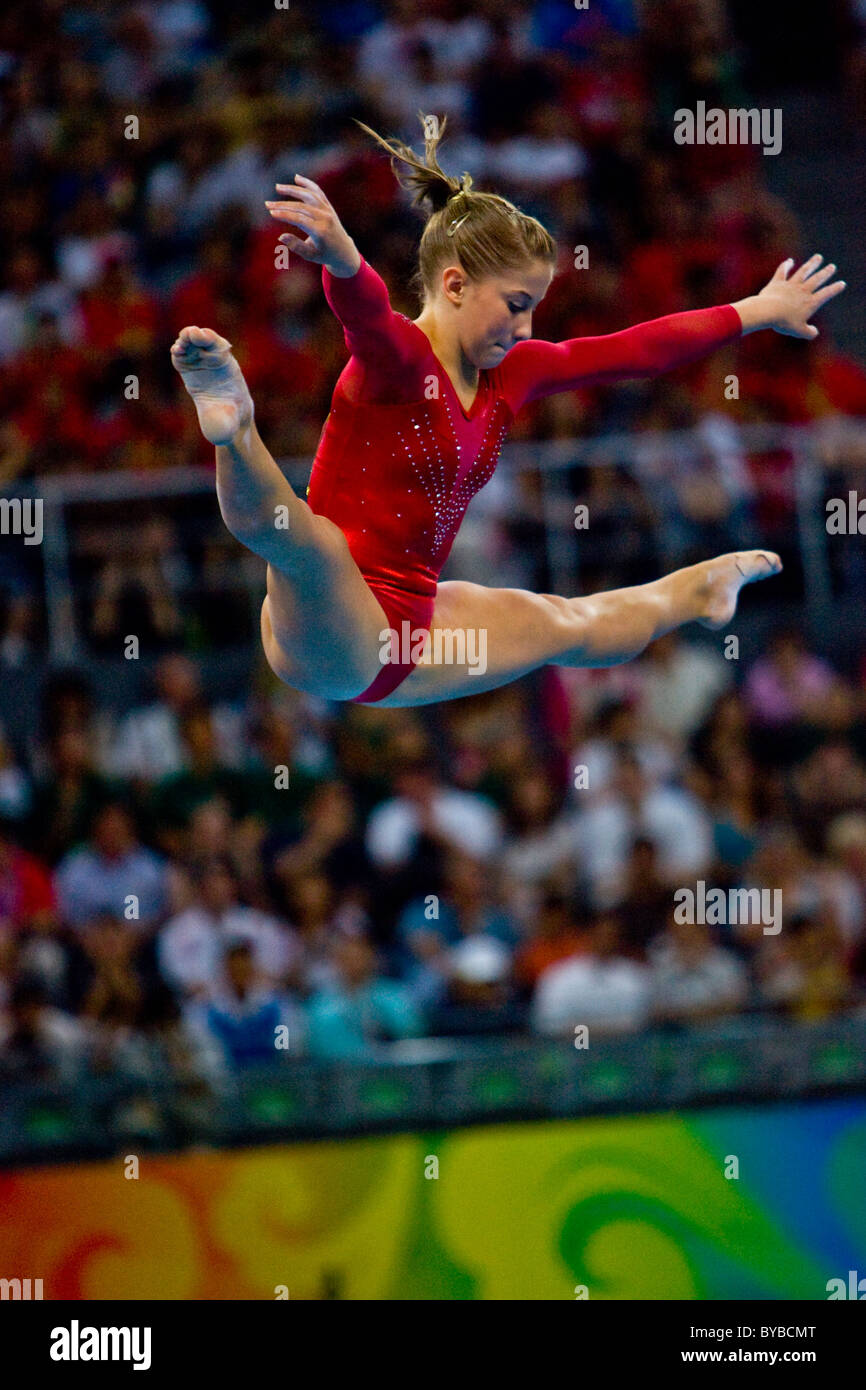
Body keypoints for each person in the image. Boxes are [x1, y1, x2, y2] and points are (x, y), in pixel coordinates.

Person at [171, 113, 845, 709]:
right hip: (327, 632)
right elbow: (367, 318)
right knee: (304, 540)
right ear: (455, 284)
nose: (525, 331)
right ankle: (235, 427)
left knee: (567, 625)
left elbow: (635, 351)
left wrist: (757, 311)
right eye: (516, 305)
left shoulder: (513, 376)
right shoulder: (401, 362)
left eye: (535, 310)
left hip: (411, 639)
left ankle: (695, 593)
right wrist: (344, 262)